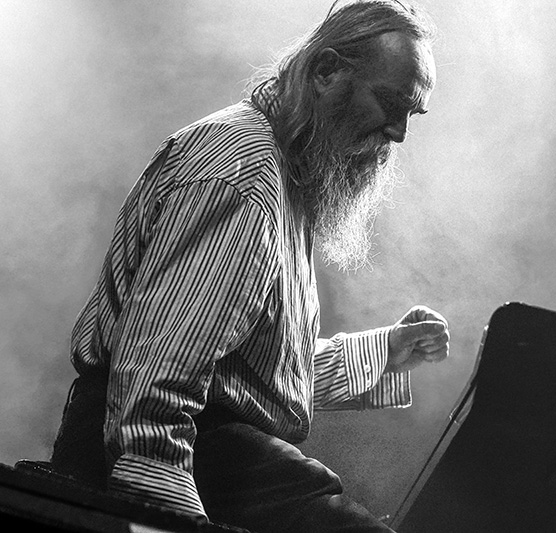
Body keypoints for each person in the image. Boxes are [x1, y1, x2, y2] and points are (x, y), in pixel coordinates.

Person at [49, 1, 449, 531]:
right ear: (326, 71)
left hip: (217, 454)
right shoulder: (243, 175)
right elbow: (154, 386)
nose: (398, 132)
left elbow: (242, 373)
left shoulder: (281, 175)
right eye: (391, 103)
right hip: (189, 458)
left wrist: (384, 351)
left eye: (412, 114)